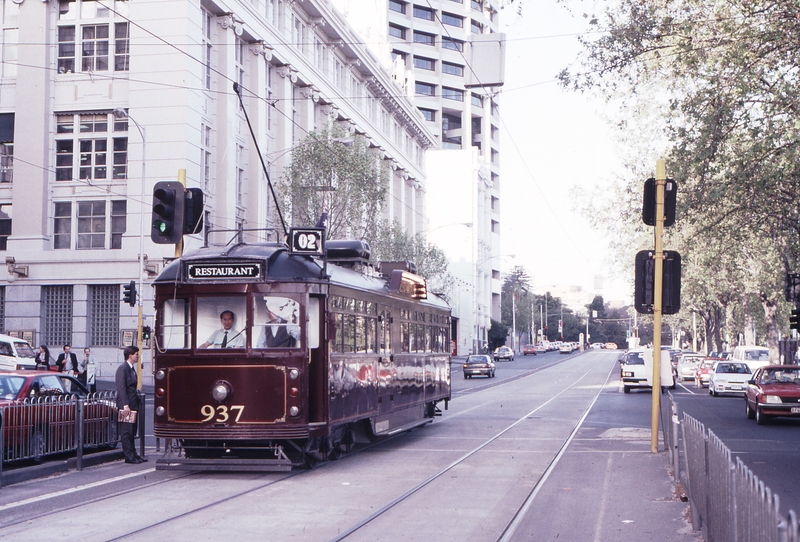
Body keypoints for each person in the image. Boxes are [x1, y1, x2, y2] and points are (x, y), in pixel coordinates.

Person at [116, 346, 147, 464]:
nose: (137, 356)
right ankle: (129, 456)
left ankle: (133, 453)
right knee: (126, 430)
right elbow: (121, 388)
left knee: (132, 430)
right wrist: (125, 405)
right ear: (130, 356)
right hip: (127, 405)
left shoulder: (131, 368)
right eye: (136, 354)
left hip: (133, 403)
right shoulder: (122, 369)